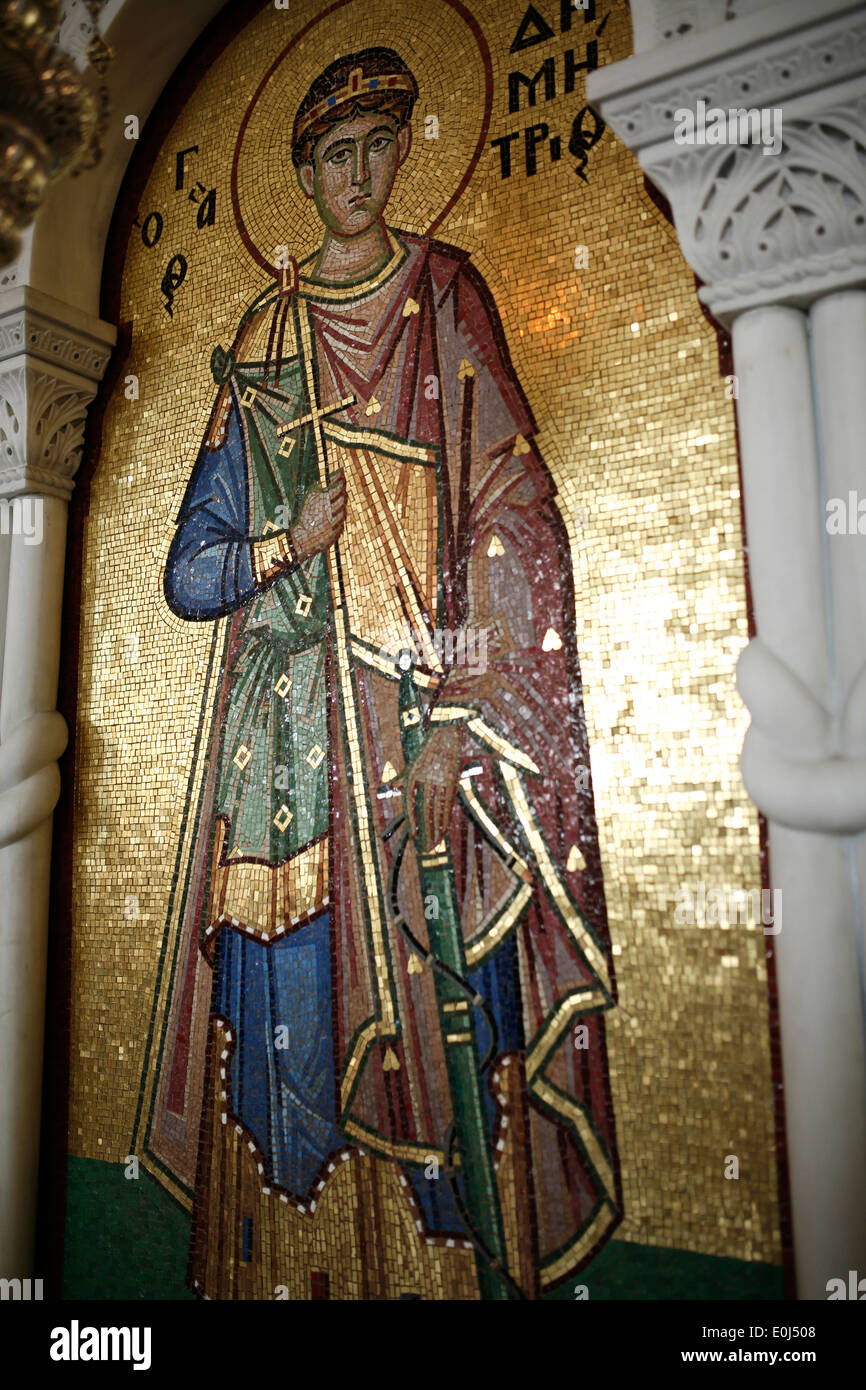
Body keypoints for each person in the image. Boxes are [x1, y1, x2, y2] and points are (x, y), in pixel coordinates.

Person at [158, 44, 622, 1299]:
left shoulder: (444, 297)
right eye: (331, 156)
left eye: (378, 146)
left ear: (407, 148)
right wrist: (278, 543)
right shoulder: (264, 334)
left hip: (417, 721)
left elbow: (508, 519)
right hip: (285, 763)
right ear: (302, 176)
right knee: (288, 1028)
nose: (357, 175)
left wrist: (457, 717)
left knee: (438, 1017)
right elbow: (189, 573)